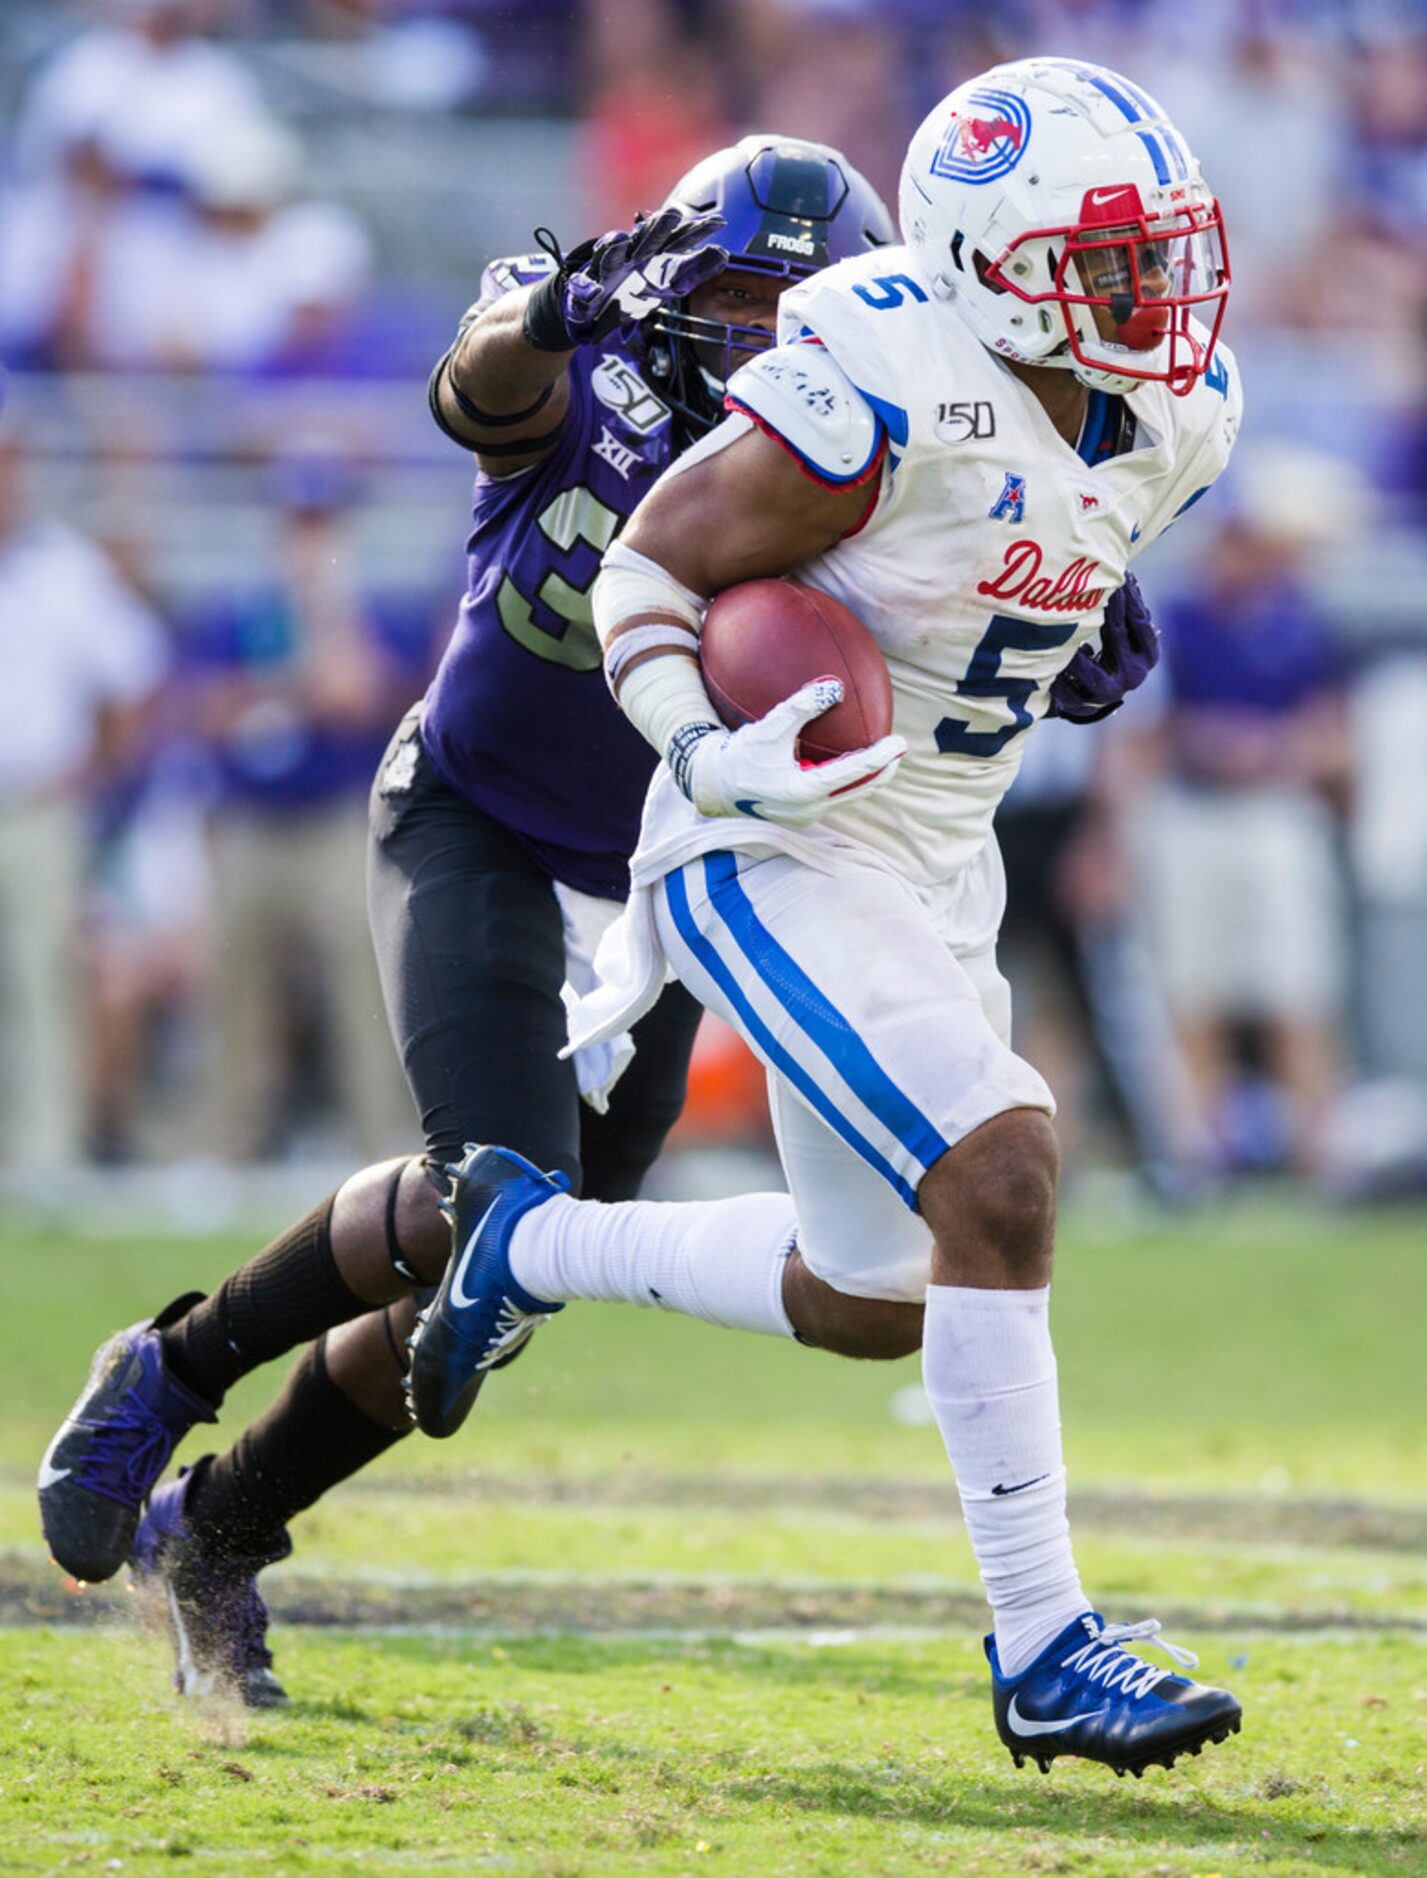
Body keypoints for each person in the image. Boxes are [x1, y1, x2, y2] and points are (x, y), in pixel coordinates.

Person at [406, 58, 1246, 1778]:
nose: (1151, 299)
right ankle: (1044, 1645)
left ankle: (527, 1240)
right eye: (1106, 263)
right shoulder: (879, 371)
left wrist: (1075, 602)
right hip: (770, 832)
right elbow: (647, 568)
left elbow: (1020, 540)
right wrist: (710, 750)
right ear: (981, 263)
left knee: (883, 1295)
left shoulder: (1182, 410)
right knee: (1004, 1160)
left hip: (941, 853)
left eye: (1155, 256)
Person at [37, 134, 902, 1703]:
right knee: (486, 1191)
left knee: (511, 1280)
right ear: (669, 286)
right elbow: (487, 383)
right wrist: (557, 314)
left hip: (656, 894)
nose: (772, 344)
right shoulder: (593, 361)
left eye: (807, 314)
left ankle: (219, 1530)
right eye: (743, 303)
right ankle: (172, 1366)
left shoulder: (866, 482)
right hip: (477, 814)